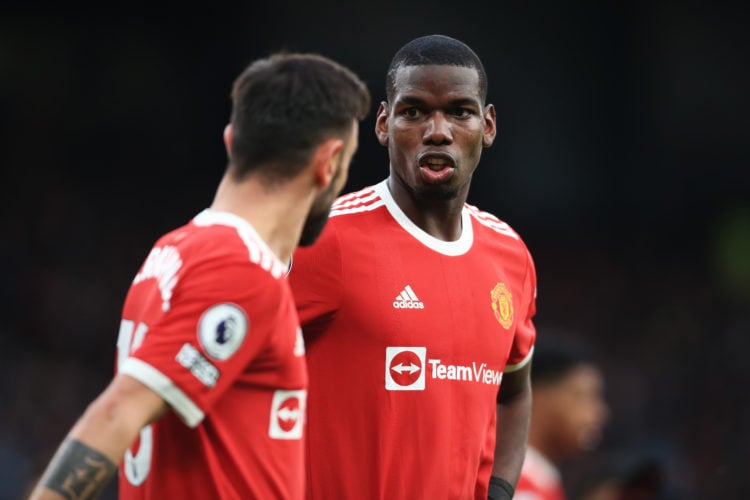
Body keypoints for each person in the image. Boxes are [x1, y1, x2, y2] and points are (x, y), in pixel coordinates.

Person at [29, 52, 370, 500]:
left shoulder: (173, 250)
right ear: (329, 162)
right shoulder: (240, 269)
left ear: (232, 142)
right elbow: (117, 412)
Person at [289, 34, 537, 500]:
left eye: (460, 112)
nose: (437, 131)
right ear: (384, 124)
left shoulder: (511, 257)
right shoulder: (326, 239)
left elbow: (515, 392)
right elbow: (232, 373)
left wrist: (500, 490)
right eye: (415, 111)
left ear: (488, 126)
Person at [515, 336, 609, 500]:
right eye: (583, 397)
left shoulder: (542, 482)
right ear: (536, 395)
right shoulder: (518, 488)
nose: (600, 413)